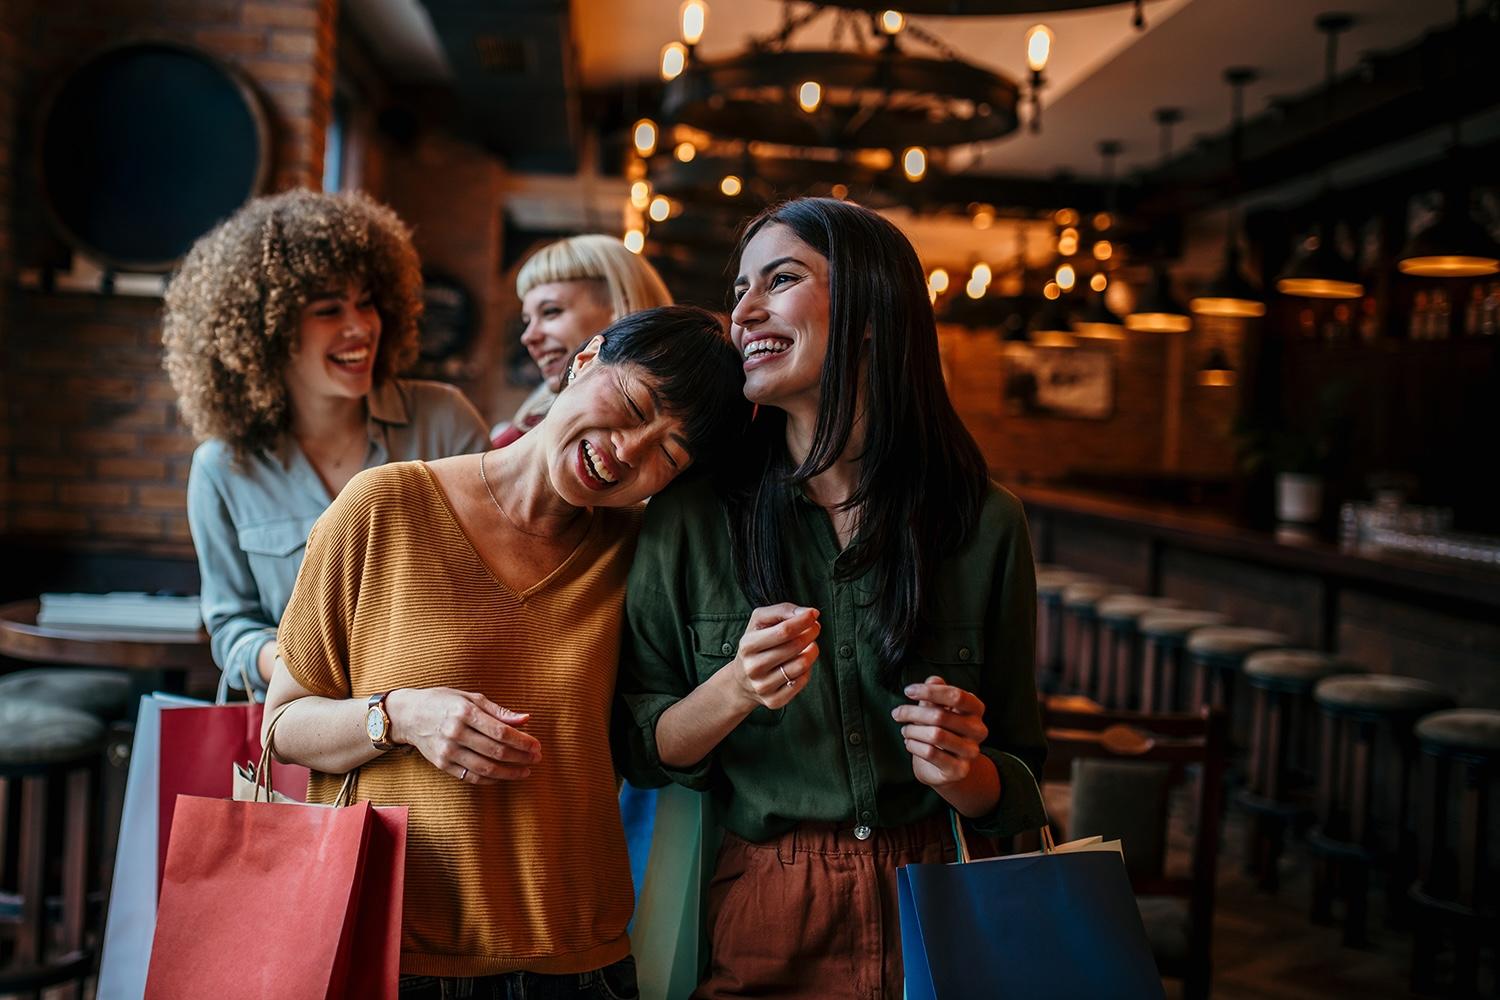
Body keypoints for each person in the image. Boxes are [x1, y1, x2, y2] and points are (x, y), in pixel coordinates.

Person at [614, 198, 1047, 999]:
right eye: (740, 289)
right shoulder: (689, 517)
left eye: (780, 280)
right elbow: (642, 746)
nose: (743, 311)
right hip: (765, 910)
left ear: (873, 310)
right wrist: (734, 689)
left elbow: (1021, 770)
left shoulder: (983, 521)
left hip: (947, 897)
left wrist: (965, 773)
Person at [261, 305, 750, 997]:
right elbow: (281, 727)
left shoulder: (638, 555)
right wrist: (399, 716)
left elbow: (653, 737)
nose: (629, 449)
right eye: (636, 403)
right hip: (393, 952)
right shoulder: (384, 508)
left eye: (669, 453)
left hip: (580, 962)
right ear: (587, 360)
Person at [165, 189, 490, 701]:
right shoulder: (224, 467)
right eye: (328, 310)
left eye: (366, 303)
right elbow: (231, 626)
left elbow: (496, 579)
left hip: (436, 728)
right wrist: (294, 664)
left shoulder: (444, 423)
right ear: (268, 330)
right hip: (301, 739)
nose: (359, 327)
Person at [494, 234, 673, 446]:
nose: (528, 337)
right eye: (527, 320)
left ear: (622, 310)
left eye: (551, 311)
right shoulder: (537, 411)